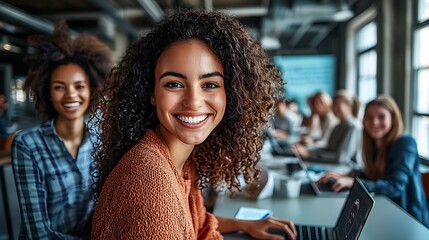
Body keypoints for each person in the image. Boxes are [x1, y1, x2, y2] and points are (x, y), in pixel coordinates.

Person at [91, 10, 297, 240]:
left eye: (209, 85)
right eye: (174, 84)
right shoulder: (149, 181)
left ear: (230, 93)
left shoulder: (180, 160)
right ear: (151, 92)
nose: (193, 102)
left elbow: (196, 224)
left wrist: (245, 225)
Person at [11, 20, 113, 239]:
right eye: (59, 87)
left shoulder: (101, 139)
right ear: (48, 92)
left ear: (92, 89)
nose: (70, 95)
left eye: (79, 86)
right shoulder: (28, 145)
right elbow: (38, 233)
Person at [319, 95, 429, 228]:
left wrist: (354, 182)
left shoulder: (405, 143)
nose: (374, 122)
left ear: (393, 119)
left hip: (409, 220)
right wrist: (346, 176)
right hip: (385, 213)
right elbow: (373, 175)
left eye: (381, 117)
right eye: (369, 117)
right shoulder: (374, 143)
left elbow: (394, 186)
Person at [295, 90, 362, 165]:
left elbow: (341, 158)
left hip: (345, 169)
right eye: (334, 105)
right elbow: (328, 148)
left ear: (349, 107)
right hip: (334, 166)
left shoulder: (353, 127)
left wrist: (310, 154)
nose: (334, 109)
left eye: (338, 105)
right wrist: (307, 150)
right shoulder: (337, 126)